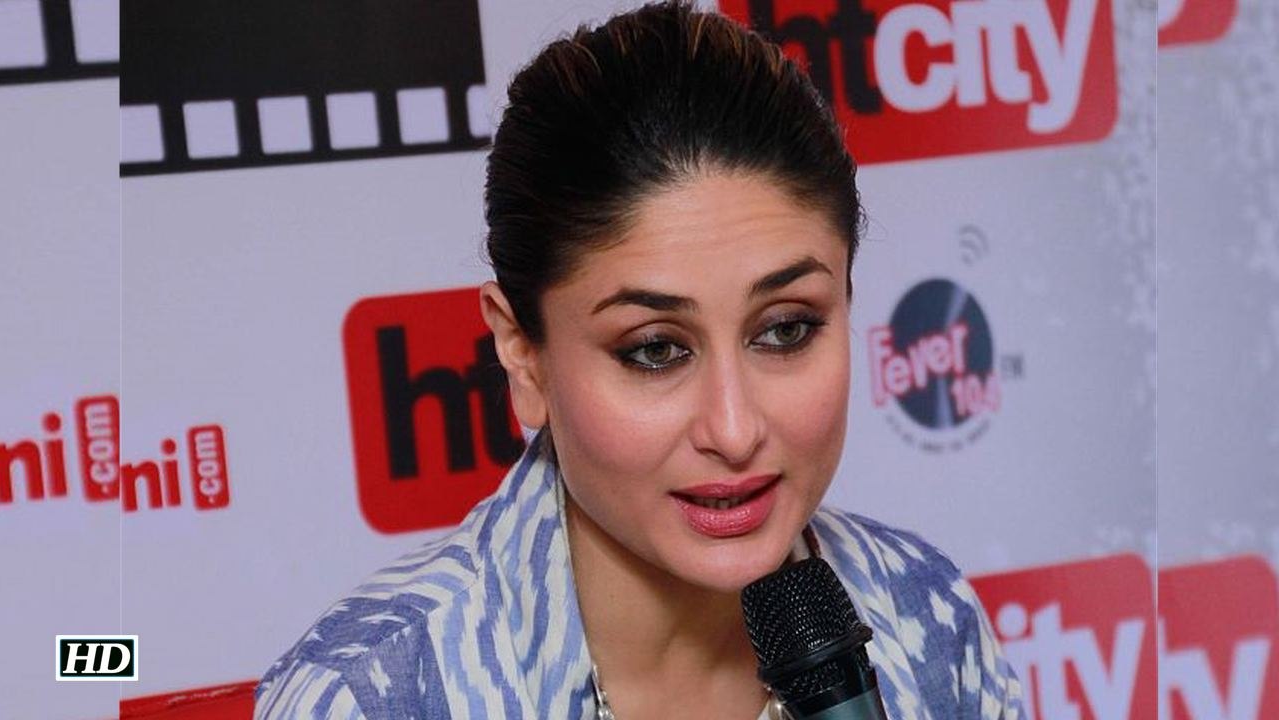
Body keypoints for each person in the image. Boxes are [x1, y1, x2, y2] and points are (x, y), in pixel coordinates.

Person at [254, 2, 1025, 718]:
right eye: (655, 350)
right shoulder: (377, 695)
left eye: (786, 330)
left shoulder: (925, 617)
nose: (734, 429)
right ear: (522, 353)